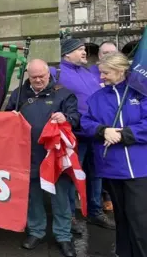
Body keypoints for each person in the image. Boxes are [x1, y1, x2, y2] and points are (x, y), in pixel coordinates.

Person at [6, 59, 80, 257]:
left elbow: (76, 118)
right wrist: (10, 116)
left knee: (61, 198)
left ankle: (64, 236)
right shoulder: (19, 94)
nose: (38, 80)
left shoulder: (63, 94)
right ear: (28, 75)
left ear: (49, 74)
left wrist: (66, 118)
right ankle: (36, 231)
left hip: (56, 157)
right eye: (33, 77)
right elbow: (6, 117)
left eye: (42, 76)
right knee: (33, 197)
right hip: (28, 156)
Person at [82, 52, 147, 257]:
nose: (101, 77)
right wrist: (103, 130)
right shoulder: (97, 97)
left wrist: (124, 134)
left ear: (120, 71)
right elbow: (86, 123)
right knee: (122, 217)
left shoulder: (140, 93)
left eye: (105, 73)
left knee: (140, 219)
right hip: (111, 167)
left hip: (138, 168)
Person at [52, 39, 114, 232]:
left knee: (96, 175)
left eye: (84, 50)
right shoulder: (57, 72)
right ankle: (69, 216)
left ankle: (95, 212)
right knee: (71, 177)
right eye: (79, 50)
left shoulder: (89, 73)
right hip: (73, 134)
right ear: (67, 54)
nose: (84, 52)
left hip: (95, 133)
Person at [90, 41, 118, 212]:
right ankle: (97, 203)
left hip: (119, 131)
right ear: (99, 55)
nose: (107, 55)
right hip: (99, 130)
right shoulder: (90, 74)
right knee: (96, 169)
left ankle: (109, 198)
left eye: (111, 52)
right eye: (105, 52)